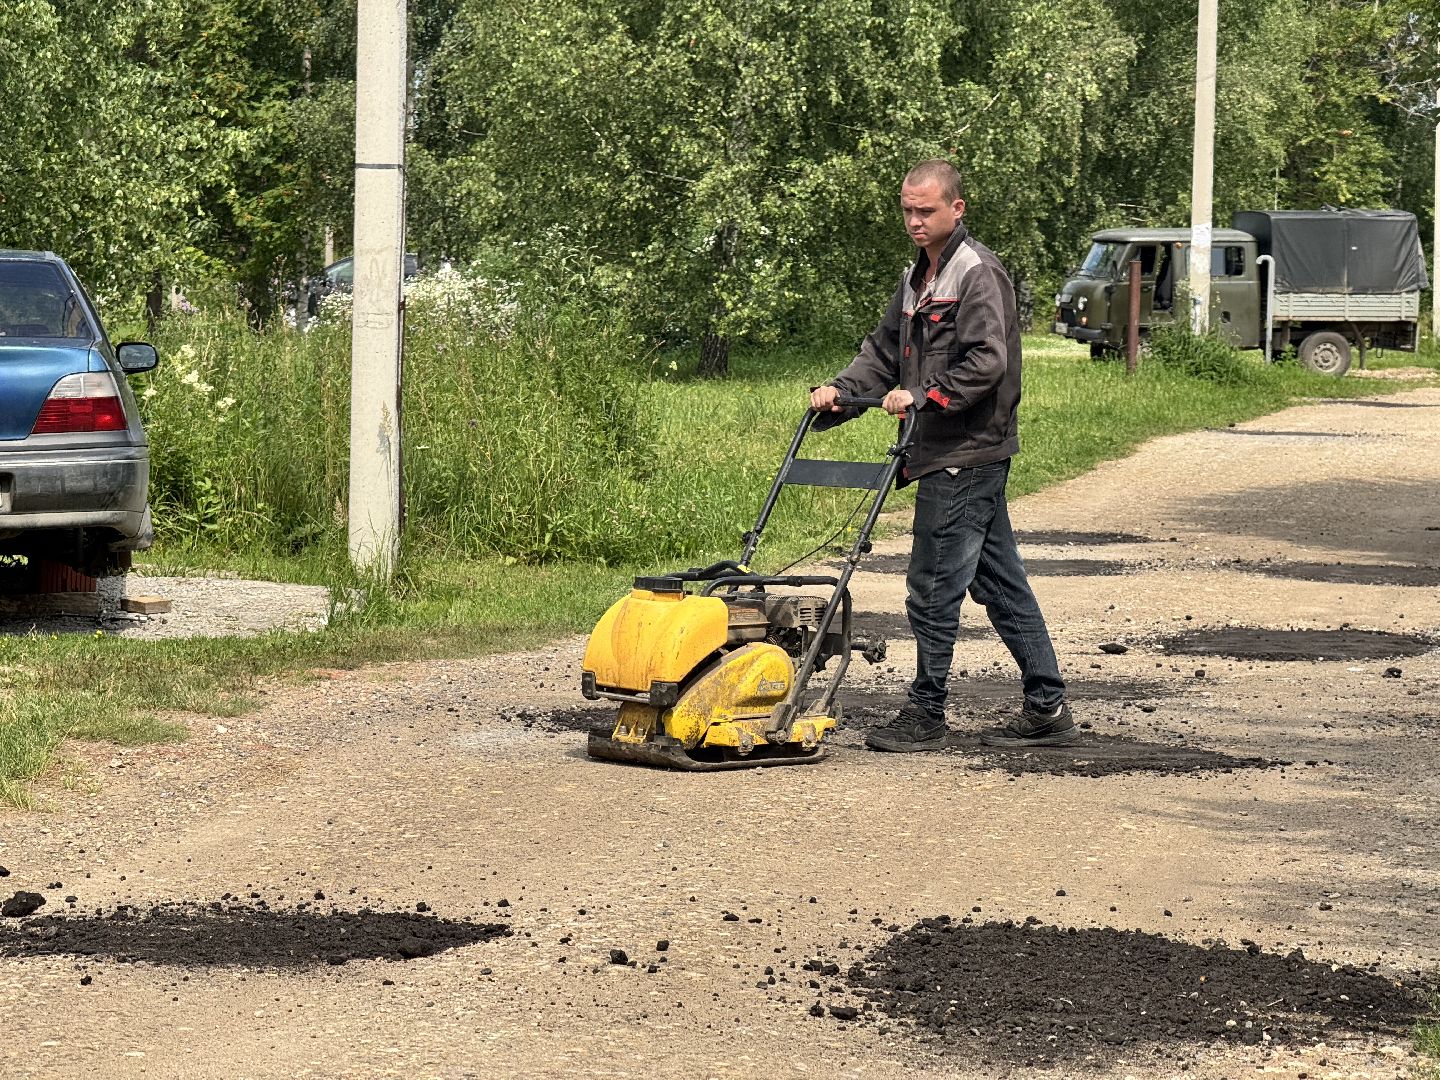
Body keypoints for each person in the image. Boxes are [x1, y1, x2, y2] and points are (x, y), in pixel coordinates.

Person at [810, 158, 1075, 752]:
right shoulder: (915, 278)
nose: (914, 220)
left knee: (933, 581)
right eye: (907, 209)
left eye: (925, 210)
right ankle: (1047, 703)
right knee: (999, 581)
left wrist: (925, 397)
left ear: (957, 208)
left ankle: (926, 710)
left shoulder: (976, 273)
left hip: (967, 449)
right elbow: (881, 352)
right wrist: (841, 394)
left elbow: (987, 361)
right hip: (939, 449)